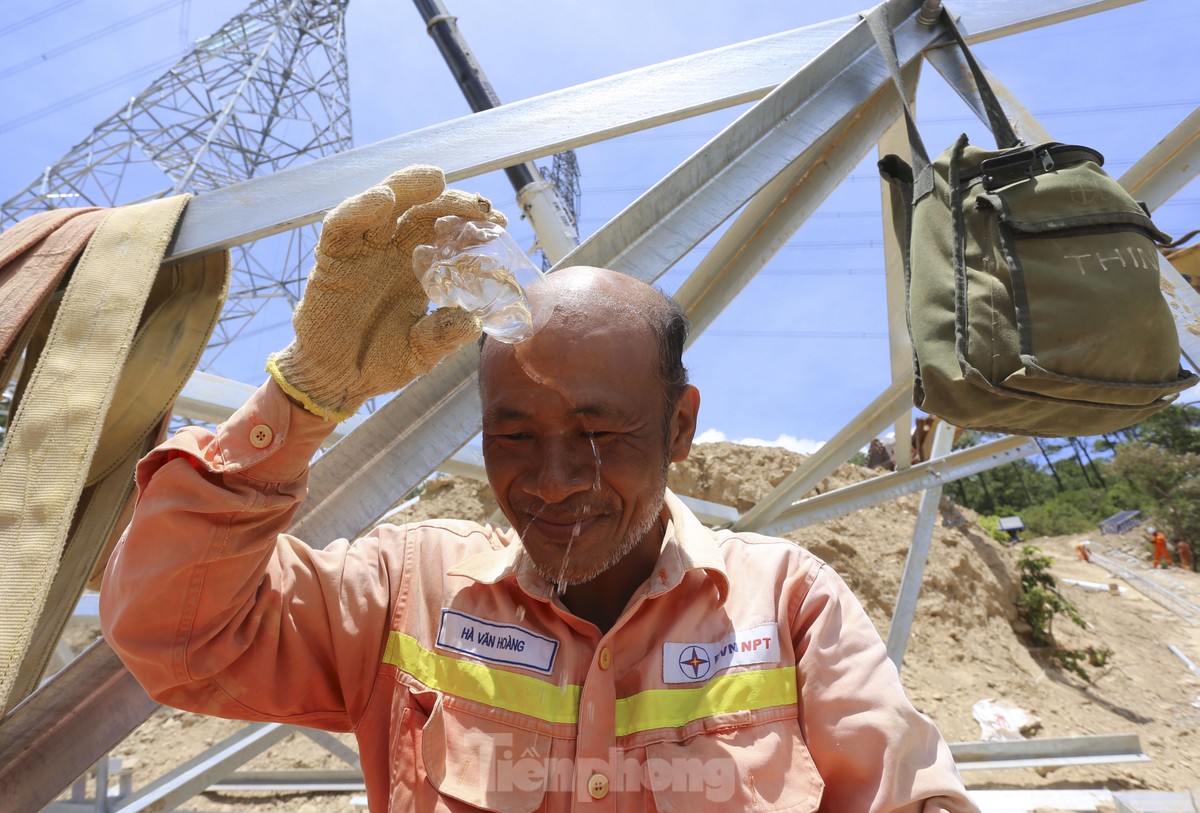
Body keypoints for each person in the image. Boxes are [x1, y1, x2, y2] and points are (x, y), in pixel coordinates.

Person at [100, 166, 979, 812]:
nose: (553, 482)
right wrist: (303, 394)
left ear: (679, 427)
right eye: (511, 435)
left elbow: (907, 794)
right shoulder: (409, 589)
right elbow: (175, 632)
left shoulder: (786, 602)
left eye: (601, 435)